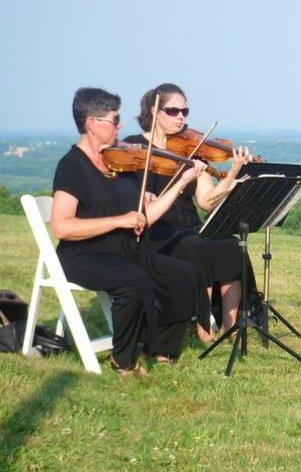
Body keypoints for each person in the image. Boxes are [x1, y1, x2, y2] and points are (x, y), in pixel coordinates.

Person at [51, 87, 208, 376]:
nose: (120, 125)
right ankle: (123, 359)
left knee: (187, 276)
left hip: (126, 249)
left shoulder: (119, 164)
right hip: (84, 255)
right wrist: (119, 221)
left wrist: (183, 180)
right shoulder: (72, 167)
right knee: (136, 282)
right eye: (114, 119)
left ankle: (161, 350)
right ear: (91, 123)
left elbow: (144, 217)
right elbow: (62, 225)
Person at [123, 83, 258, 341]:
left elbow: (207, 202)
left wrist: (232, 174)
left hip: (188, 226)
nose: (181, 117)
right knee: (194, 246)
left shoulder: (189, 149)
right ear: (154, 111)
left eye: (185, 111)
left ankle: (231, 325)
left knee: (230, 244)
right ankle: (204, 327)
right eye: (173, 111)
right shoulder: (135, 148)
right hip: (156, 231)